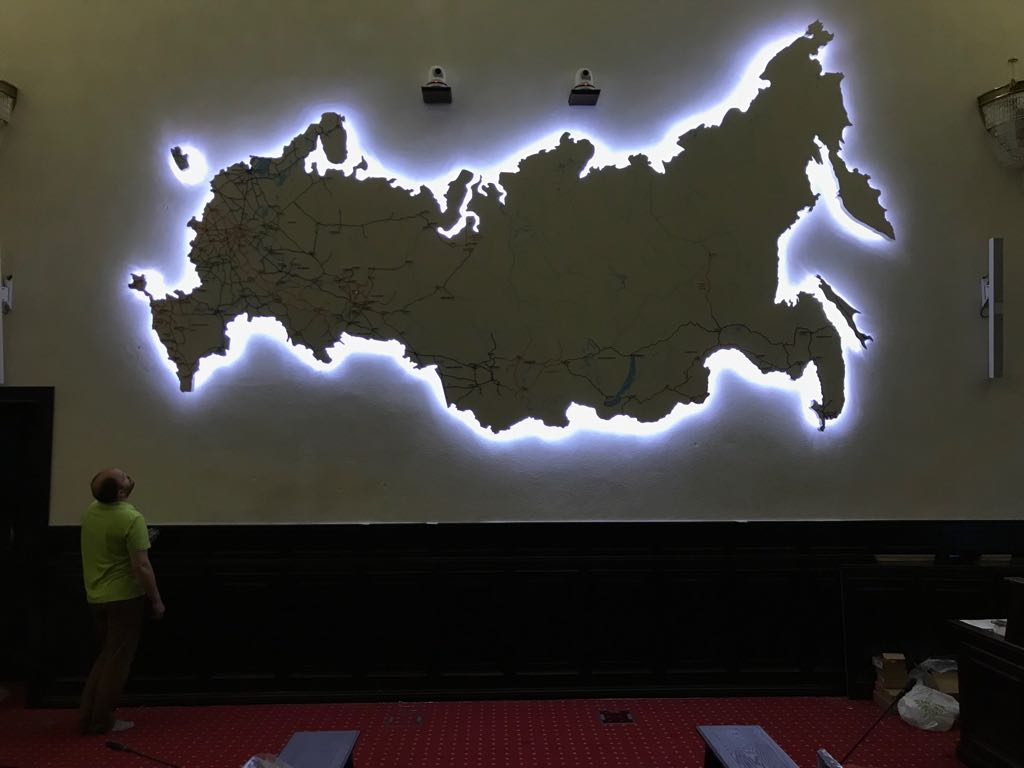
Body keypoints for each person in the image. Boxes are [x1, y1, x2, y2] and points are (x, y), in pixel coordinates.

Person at [78, 468, 164, 735]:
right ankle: (102, 721)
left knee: (106, 657)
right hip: (123, 599)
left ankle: (87, 715)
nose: (128, 475)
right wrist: (156, 600)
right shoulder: (131, 518)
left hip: (96, 596)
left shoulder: (92, 511)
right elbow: (141, 566)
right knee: (117, 664)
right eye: (124, 476)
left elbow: (111, 542)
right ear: (121, 492)